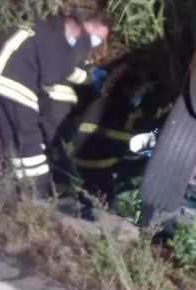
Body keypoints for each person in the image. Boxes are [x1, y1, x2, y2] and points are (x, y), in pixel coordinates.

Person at [0, 10, 111, 197]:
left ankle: (14, 187)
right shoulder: (58, 38)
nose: (96, 42)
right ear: (74, 28)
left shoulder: (38, 27)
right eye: (98, 37)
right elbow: (52, 77)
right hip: (15, 87)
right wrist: (88, 78)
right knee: (31, 142)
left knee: (13, 142)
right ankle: (37, 195)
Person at [70, 64, 169, 208]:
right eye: (139, 91)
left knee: (95, 185)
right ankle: (104, 201)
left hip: (79, 159)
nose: (139, 96)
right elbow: (147, 126)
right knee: (148, 164)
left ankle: (88, 197)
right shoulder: (128, 112)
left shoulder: (99, 103)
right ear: (128, 89)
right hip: (100, 163)